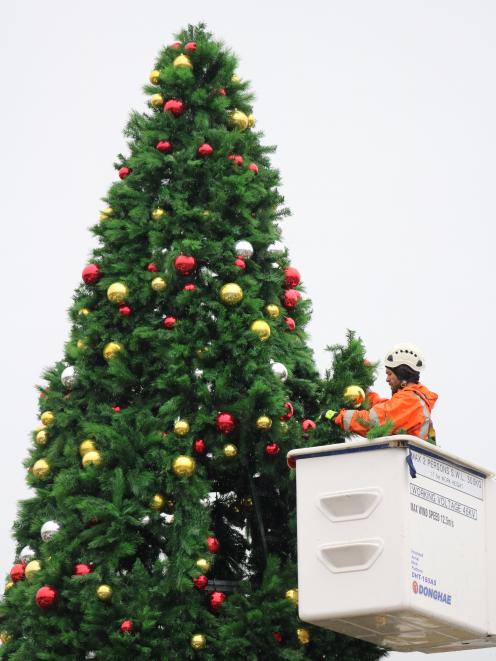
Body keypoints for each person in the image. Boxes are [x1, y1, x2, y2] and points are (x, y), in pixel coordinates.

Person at [327, 343, 438, 442]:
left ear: (402, 374)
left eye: (389, 374)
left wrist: (338, 416)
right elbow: (383, 408)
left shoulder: (410, 401)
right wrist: (363, 392)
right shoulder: (412, 399)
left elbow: (373, 421)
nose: (387, 379)